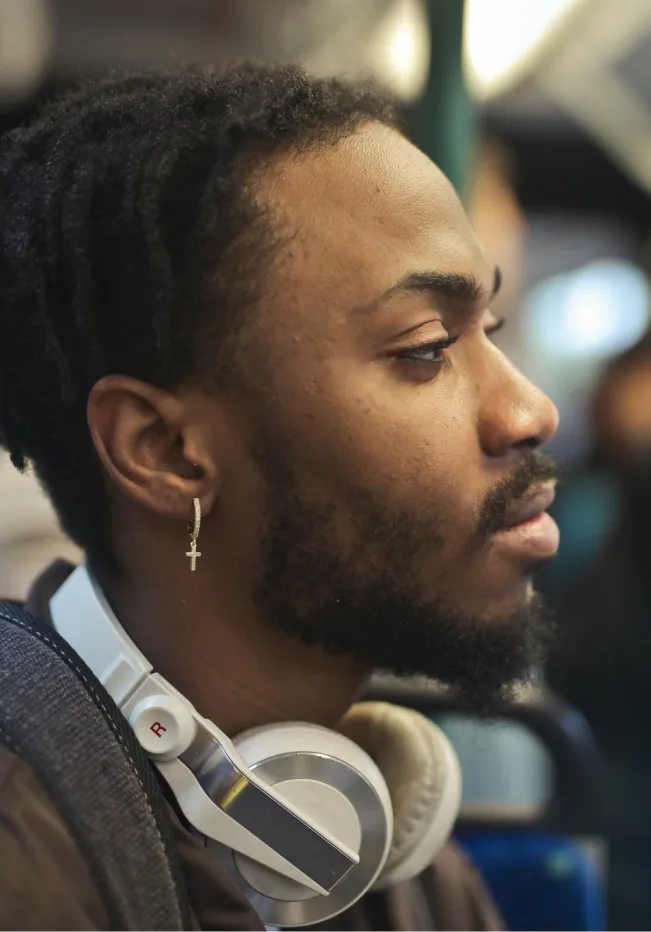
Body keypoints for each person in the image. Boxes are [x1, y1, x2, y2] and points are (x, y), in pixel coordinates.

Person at [0, 64, 559, 931]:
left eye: (492, 328)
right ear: (165, 452)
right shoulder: (26, 866)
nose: (529, 410)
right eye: (423, 348)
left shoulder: (395, 876)